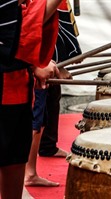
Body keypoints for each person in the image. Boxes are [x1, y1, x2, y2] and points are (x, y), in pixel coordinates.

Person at [0, 0, 62, 198]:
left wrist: (33, 64)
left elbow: (21, 22)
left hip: (16, 88)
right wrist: (32, 61)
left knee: (15, 159)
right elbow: (16, 33)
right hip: (5, 90)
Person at [24, 0, 82, 187]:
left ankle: (35, 164)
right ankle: (29, 172)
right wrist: (38, 63)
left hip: (37, 60)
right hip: (29, 65)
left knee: (41, 116)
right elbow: (31, 26)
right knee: (35, 119)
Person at [39, 0, 82, 158]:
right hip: (38, 58)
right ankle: (31, 167)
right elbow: (38, 22)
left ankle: (48, 146)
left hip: (44, 59)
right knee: (39, 106)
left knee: (51, 96)